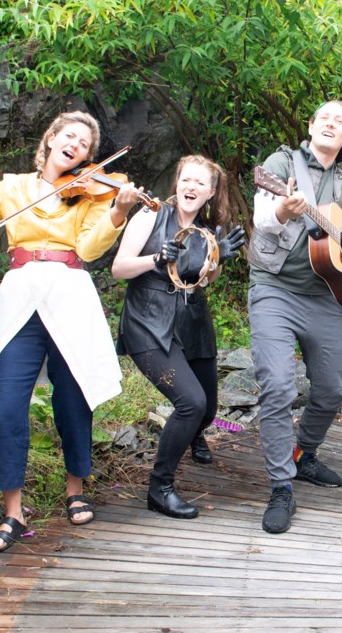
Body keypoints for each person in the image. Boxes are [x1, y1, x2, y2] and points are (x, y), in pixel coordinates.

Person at [0, 111, 139, 551]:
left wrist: (118, 211)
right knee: (6, 404)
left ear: (89, 155)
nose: (77, 146)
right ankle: (13, 511)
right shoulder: (14, 188)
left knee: (74, 398)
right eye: (70, 136)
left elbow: (88, 247)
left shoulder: (91, 195)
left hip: (69, 294)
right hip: (21, 295)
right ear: (51, 139)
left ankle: (75, 489)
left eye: (85, 144)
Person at [247, 100, 342, 534]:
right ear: (311, 127)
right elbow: (260, 215)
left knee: (330, 391)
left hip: (326, 296)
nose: (331, 123)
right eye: (323, 117)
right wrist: (281, 211)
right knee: (277, 385)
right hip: (275, 289)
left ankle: (303, 454)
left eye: (340, 121)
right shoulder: (281, 164)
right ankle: (281, 486)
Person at [111, 155, 245, 519]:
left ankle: (194, 434)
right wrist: (155, 258)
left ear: (211, 192)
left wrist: (217, 259)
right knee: (192, 403)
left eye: (200, 183)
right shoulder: (150, 214)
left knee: (208, 409)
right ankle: (160, 488)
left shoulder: (207, 230)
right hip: (148, 323)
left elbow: (204, 280)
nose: (191, 187)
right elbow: (119, 267)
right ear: (177, 182)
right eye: (186, 180)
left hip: (193, 322)